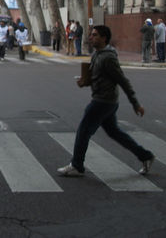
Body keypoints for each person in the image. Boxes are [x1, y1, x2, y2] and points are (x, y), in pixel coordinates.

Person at [57, 25, 155, 177]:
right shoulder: (98, 54)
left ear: (104, 38)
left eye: (95, 35)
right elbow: (98, 77)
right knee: (114, 132)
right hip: (105, 101)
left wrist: (135, 103)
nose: (91, 37)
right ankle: (145, 156)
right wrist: (85, 82)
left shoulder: (108, 57)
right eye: (91, 35)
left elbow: (122, 81)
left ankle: (77, 165)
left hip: (103, 101)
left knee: (83, 131)